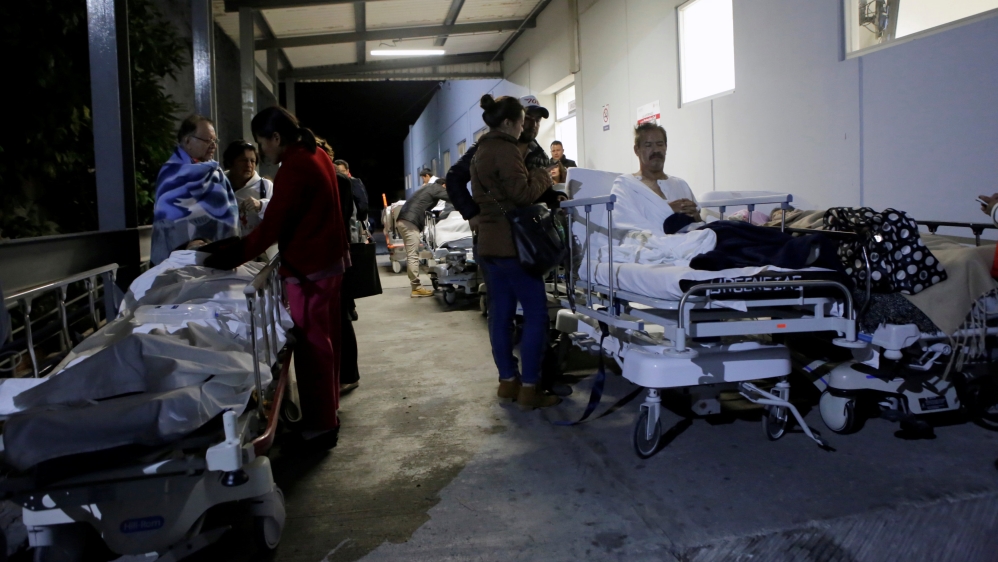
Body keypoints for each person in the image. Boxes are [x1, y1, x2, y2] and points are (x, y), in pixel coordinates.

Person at [204, 107, 348, 447]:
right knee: (327, 342)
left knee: (312, 347)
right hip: (330, 262)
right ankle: (329, 413)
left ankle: (322, 425)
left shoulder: (295, 166)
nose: (261, 151)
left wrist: (231, 256)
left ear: (276, 138)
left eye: (262, 143)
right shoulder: (317, 154)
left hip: (310, 270)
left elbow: (273, 226)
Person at [471, 94, 560, 411]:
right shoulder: (506, 148)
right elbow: (521, 195)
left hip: (490, 245)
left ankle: (508, 381)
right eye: (523, 120)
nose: (526, 125)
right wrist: (543, 175)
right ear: (509, 122)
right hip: (514, 246)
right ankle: (530, 387)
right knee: (536, 315)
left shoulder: (481, 149)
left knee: (501, 315)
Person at [446, 95, 561, 226]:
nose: (534, 125)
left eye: (538, 120)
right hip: (497, 226)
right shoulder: (486, 148)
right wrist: (471, 213)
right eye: (528, 118)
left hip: (526, 232)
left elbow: (538, 193)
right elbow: (454, 177)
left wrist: (556, 197)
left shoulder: (540, 156)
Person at [150, 115, 239, 265]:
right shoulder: (170, 175)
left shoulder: (216, 173)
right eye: (207, 140)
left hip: (219, 259)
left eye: (215, 140)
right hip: (181, 262)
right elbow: (167, 222)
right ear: (187, 141)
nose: (213, 145)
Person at [610, 122, 700, 236]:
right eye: (648, 145)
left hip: (692, 244)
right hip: (650, 246)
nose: (655, 150)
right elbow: (625, 224)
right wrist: (667, 210)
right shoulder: (625, 185)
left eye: (660, 144)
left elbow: (698, 224)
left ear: (666, 147)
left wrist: (696, 217)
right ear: (637, 150)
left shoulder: (680, 184)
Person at [397, 169, 450, 297]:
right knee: (413, 255)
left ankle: (416, 287)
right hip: (410, 222)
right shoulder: (437, 188)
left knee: (412, 255)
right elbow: (452, 197)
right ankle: (416, 288)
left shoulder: (427, 187)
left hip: (404, 220)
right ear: (444, 185)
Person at [222, 140, 273, 235]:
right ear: (231, 162)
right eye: (244, 160)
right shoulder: (219, 183)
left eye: (252, 161)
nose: (249, 165)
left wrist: (261, 205)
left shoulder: (265, 186)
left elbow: (278, 215)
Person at [334, 159, 370, 223]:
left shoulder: (354, 183)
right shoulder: (334, 184)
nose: (340, 175)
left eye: (342, 172)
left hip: (354, 222)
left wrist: (357, 219)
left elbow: (363, 204)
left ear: (347, 171)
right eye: (337, 172)